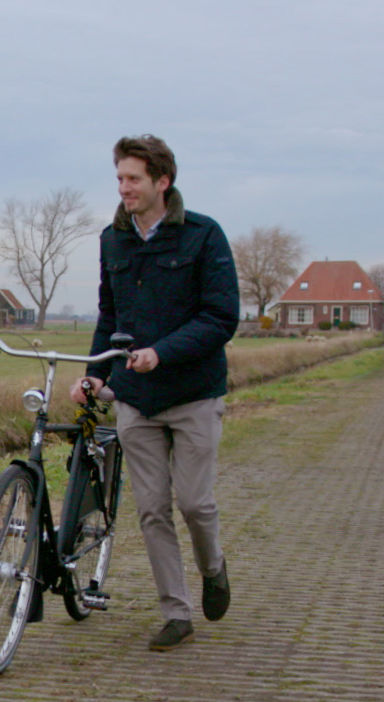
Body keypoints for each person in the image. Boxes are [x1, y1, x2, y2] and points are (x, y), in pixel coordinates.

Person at [72, 135, 240, 651]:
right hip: (135, 398)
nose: (123, 188)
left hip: (193, 394)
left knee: (193, 503)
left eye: (133, 179)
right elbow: (110, 315)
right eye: (119, 178)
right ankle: (177, 612)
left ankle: (214, 568)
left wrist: (162, 352)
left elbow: (221, 318)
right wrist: (96, 373)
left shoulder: (204, 235)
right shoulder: (111, 240)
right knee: (150, 510)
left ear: (161, 181)